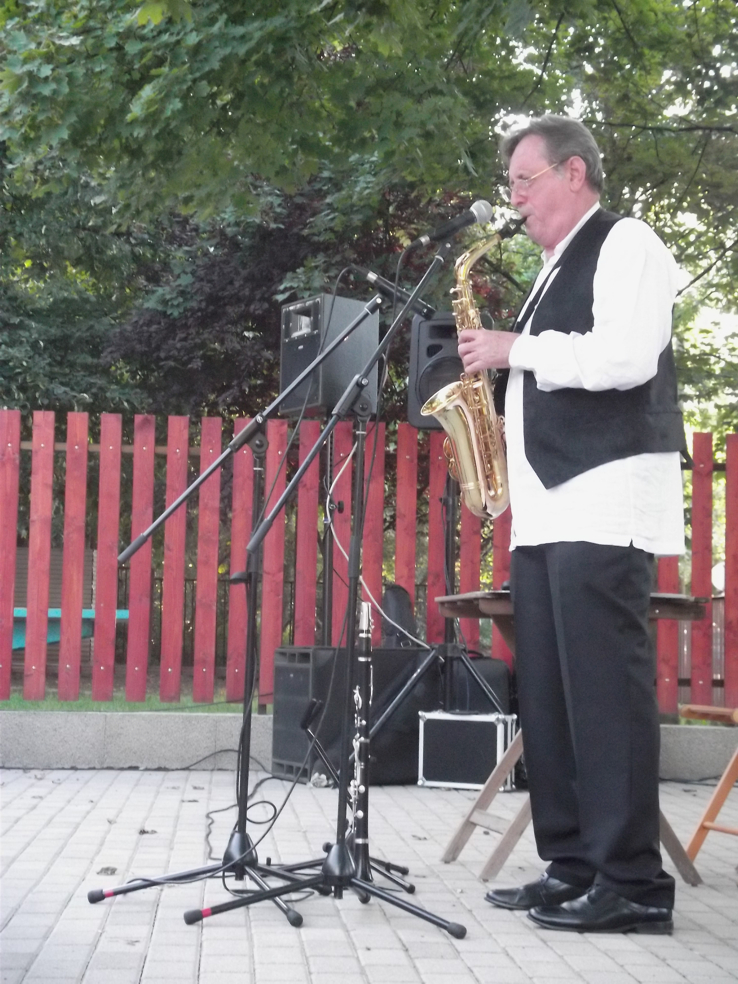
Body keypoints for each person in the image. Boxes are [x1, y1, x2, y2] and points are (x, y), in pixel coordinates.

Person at [457, 114, 686, 934]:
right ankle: (572, 866)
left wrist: (513, 349)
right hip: (547, 510)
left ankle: (633, 884)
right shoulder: (553, 267)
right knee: (551, 698)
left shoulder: (628, 243)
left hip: (605, 500)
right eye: (511, 184)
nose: (514, 198)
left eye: (525, 181)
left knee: (604, 697)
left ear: (575, 173)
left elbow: (625, 357)